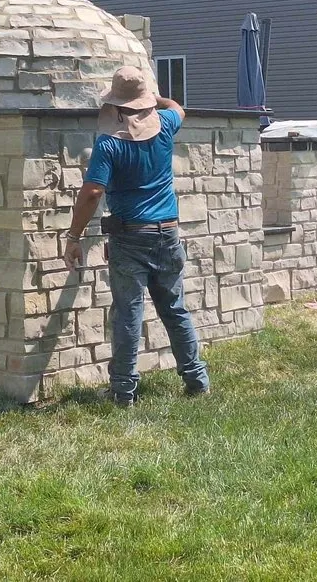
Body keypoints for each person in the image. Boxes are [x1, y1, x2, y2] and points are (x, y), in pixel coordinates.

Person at [63, 65, 210, 406]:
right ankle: (197, 380)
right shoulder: (166, 128)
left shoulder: (109, 145)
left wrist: (73, 237)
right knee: (174, 308)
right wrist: (152, 99)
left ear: (113, 108)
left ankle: (123, 392)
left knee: (128, 313)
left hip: (130, 238)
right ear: (144, 106)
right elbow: (177, 108)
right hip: (168, 234)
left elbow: (92, 193)